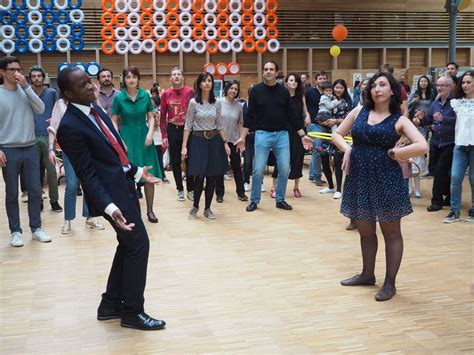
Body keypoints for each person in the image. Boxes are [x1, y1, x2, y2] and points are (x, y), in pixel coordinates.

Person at [56, 67, 165, 331]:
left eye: (89, 82)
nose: (91, 87)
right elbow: (88, 175)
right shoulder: (69, 127)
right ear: (69, 94)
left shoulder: (96, 110)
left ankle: (110, 305)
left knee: (128, 245)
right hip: (110, 195)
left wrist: (137, 171)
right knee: (139, 245)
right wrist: (109, 207)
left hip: (122, 183)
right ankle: (132, 312)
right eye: (83, 86)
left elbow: (112, 153)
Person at [331, 72, 429, 301]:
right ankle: (367, 274)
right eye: (374, 85)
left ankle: (390, 283)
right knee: (365, 230)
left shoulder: (399, 120)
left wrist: (397, 152)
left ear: (392, 91)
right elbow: (336, 134)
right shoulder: (359, 112)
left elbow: (422, 145)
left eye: (382, 85)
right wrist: (348, 150)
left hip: (387, 179)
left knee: (391, 232)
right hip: (359, 177)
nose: (377, 89)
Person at [236, 61, 313, 212]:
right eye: (266, 69)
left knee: (284, 168)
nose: (268, 72)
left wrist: (302, 134)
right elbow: (249, 116)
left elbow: (292, 115)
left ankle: (280, 199)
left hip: (282, 135)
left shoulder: (283, 92)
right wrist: (242, 137)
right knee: (258, 170)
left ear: (276, 72)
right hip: (262, 135)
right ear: (263, 72)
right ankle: (254, 200)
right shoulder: (256, 91)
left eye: (271, 69)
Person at [0, 56, 52, 247]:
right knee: (12, 193)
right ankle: (15, 232)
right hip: (9, 149)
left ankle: (36, 228)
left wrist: (27, 88)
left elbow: (41, 109)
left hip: (30, 147)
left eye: (19, 69)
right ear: (2, 72)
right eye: (12, 69)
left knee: (36, 191)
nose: (17, 73)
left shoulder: (25, 91)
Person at [48, 94, 105, 234]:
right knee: (72, 185)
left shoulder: (86, 101)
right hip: (70, 150)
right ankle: (67, 220)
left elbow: (102, 119)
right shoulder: (60, 104)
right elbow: (53, 126)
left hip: (88, 149)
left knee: (89, 183)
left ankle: (90, 217)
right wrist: (51, 148)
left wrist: (95, 97)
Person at [111, 66, 162, 223]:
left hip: (144, 137)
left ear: (138, 79)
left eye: (134, 77)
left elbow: (151, 116)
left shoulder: (145, 96)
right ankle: (132, 213)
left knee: (149, 175)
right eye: (128, 77)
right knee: (128, 177)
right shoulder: (119, 98)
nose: (131, 80)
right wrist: (119, 140)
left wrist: (150, 133)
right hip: (126, 136)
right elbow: (113, 120)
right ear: (124, 80)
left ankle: (150, 211)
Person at [181, 72, 230, 219]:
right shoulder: (193, 102)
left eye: (209, 81)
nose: (207, 83)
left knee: (213, 176)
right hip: (198, 141)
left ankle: (207, 208)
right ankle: (195, 206)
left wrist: (225, 142)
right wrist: (184, 146)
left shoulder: (217, 103)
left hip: (214, 141)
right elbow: (188, 125)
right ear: (199, 84)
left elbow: (220, 124)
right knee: (199, 175)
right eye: (204, 81)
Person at [270, 73, 310, 197]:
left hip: (299, 130)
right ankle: (274, 187)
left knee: (298, 158)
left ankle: (296, 187)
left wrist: (308, 116)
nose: (293, 83)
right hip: (284, 129)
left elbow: (305, 111)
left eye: (296, 81)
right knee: (281, 159)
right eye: (291, 80)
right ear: (286, 82)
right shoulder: (281, 95)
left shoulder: (300, 96)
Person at [29, 66, 62, 212]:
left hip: (49, 136)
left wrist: (54, 119)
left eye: (39, 76)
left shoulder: (52, 93)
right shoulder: (27, 94)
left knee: (52, 171)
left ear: (44, 78)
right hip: (31, 136)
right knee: (35, 171)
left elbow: (58, 109)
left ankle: (54, 200)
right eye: (34, 76)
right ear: (30, 79)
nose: (36, 78)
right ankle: (38, 200)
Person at [443, 71, 474, 223]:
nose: (465, 85)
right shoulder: (457, 102)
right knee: (455, 177)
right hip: (460, 146)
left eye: (468, 82)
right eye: (463, 82)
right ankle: (454, 211)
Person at [160, 67, 195, 202]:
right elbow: (163, 116)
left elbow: (194, 111)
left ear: (182, 77)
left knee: (190, 160)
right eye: (173, 74)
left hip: (188, 130)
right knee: (175, 161)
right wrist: (164, 136)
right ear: (170, 78)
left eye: (178, 74)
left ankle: (190, 189)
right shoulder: (166, 94)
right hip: (172, 129)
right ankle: (180, 188)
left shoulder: (190, 92)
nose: (176, 77)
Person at [425, 75, 456, 212]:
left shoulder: (455, 103)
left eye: (442, 85)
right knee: (437, 171)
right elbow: (428, 120)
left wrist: (444, 119)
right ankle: (448, 197)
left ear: (450, 87)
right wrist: (421, 119)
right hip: (436, 143)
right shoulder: (435, 103)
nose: (439, 88)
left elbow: (458, 121)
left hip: (449, 143)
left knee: (440, 172)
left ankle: (436, 202)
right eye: (438, 85)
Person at [319, 79, 353, 199]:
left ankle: (339, 189)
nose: (338, 90)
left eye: (341, 88)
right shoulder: (329, 98)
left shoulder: (347, 102)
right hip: (327, 132)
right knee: (323, 157)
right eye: (336, 87)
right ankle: (330, 186)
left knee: (338, 160)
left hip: (340, 134)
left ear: (344, 89)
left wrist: (335, 121)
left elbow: (350, 119)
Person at [215, 80, 248, 202]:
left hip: (233, 140)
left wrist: (241, 139)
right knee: (219, 167)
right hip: (220, 140)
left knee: (236, 167)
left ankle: (241, 192)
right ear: (226, 88)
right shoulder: (218, 102)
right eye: (231, 88)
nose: (233, 91)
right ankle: (219, 194)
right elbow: (216, 122)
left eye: (235, 89)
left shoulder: (239, 106)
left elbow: (240, 123)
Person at [306, 70, 329, 186]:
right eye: (320, 78)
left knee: (317, 150)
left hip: (324, 125)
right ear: (316, 81)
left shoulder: (328, 92)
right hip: (313, 124)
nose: (322, 80)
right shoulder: (309, 92)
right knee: (318, 149)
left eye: (324, 78)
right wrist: (306, 115)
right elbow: (302, 102)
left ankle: (311, 174)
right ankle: (317, 176)